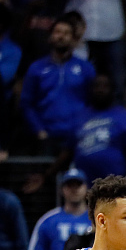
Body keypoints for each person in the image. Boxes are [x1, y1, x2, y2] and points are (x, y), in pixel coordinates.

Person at [21, 18, 95, 151]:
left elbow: (92, 101)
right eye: (58, 32)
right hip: (47, 135)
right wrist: (39, 130)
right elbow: (27, 103)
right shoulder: (36, 68)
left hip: (78, 135)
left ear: (73, 39)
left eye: (66, 33)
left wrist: (86, 127)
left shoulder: (86, 68)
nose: (61, 36)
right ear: (50, 37)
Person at [71, 75, 126, 183]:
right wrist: (47, 174)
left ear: (112, 90)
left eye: (105, 86)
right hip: (84, 186)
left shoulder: (123, 116)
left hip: (115, 185)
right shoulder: (80, 116)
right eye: (97, 86)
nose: (100, 90)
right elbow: (68, 150)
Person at [27, 169, 92, 250]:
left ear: (86, 188)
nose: (74, 189)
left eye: (78, 185)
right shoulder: (48, 221)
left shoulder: (98, 219)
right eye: (70, 185)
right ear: (62, 190)